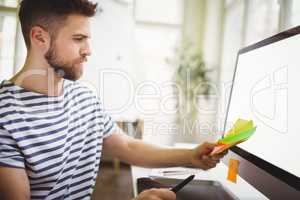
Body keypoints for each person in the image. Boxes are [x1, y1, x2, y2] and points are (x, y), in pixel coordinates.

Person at [0, 0, 226, 199]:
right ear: (40, 37)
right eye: (78, 39)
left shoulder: (84, 97)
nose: (88, 50)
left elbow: (126, 146)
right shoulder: (5, 116)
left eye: (87, 39)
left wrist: (190, 156)